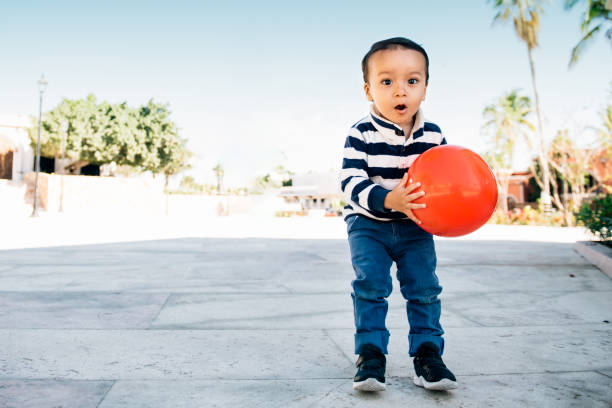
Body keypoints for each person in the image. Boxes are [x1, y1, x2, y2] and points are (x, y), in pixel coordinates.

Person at [340, 37, 457, 392]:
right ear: (369, 90)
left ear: (424, 88)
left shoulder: (434, 135)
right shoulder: (360, 133)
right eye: (386, 81)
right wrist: (388, 198)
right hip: (368, 225)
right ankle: (371, 356)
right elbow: (349, 180)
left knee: (423, 289)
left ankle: (428, 356)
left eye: (412, 80)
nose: (399, 91)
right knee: (371, 287)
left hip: (416, 227)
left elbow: (450, 178)